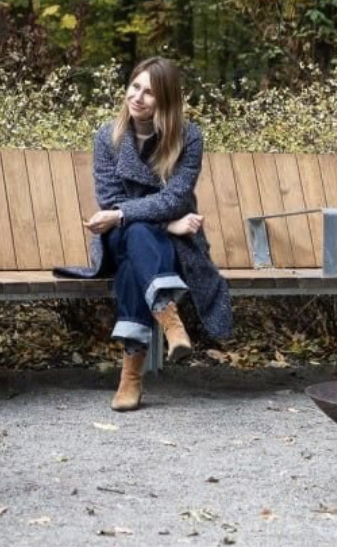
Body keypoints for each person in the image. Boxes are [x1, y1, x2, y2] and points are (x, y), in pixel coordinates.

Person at [63, 57, 232, 412]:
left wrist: (138, 217)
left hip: (165, 247)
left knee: (134, 256)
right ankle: (169, 321)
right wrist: (166, 223)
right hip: (120, 237)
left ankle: (131, 378)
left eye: (150, 93)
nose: (138, 97)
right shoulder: (108, 137)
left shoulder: (189, 137)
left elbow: (177, 196)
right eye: (135, 87)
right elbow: (111, 201)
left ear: (166, 101)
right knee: (135, 232)